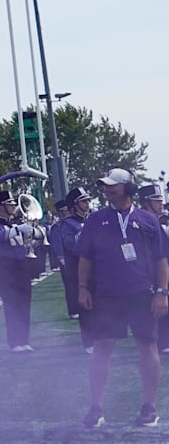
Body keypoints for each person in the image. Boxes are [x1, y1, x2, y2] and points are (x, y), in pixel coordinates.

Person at [76, 168, 169, 428]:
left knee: (147, 346)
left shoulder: (148, 221)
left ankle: (150, 407)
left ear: (128, 188)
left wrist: (162, 292)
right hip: (107, 295)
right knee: (101, 348)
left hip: (142, 294)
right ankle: (95, 407)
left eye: (113, 186)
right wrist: (82, 287)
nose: (107, 189)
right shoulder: (95, 220)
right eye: (105, 186)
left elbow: (162, 259)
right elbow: (85, 258)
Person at [0, 190, 43, 352]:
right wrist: (18, 230)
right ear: (2, 206)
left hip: (22, 264)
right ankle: (14, 342)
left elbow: (31, 240)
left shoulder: (13, 222)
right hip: (7, 266)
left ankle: (24, 340)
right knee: (12, 305)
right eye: (10, 203)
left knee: (25, 303)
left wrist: (32, 233)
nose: (13, 206)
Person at [136, 184, 169, 354]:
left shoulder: (161, 220)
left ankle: (164, 341)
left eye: (160, 200)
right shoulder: (140, 221)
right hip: (147, 271)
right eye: (156, 201)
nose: (160, 203)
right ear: (146, 202)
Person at [60, 187, 94, 352]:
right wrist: (84, 235)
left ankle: (100, 338)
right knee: (85, 307)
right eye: (83, 201)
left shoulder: (92, 219)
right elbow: (70, 245)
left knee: (99, 305)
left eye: (88, 200)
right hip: (78, 270)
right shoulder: (68, 223)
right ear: (75, 205)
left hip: (96, 269)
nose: (87, 203)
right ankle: (89, 342)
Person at [47, 200, 70, 272]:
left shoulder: (72, 224)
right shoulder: (57, 227)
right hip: (67, 261)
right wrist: (63, 262)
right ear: (61, 212)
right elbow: (58, 246)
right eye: (67, 210)